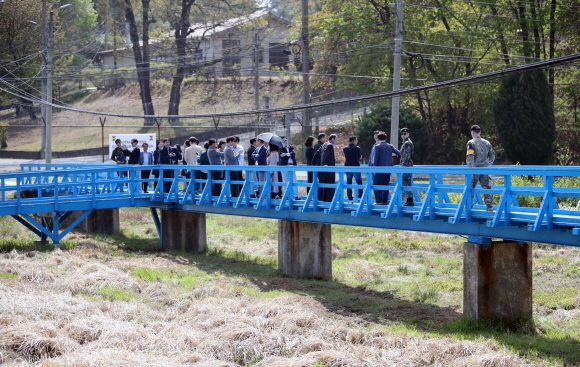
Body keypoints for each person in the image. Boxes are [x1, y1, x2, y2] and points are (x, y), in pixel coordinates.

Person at [466, 124, 495, 211]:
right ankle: (489, 207)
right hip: (485, 169)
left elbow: (470, 157)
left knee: (470, 187)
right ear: (480, 132)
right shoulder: (487, 143)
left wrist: (470, 170)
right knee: (487, 188)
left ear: (472, 132)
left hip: (474, 169)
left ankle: (469, 206)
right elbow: (492, 156)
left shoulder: (471, 143)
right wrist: (488, 164)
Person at [372, 132, 401, 205]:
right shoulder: (390, 146)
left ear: (378, 138)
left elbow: (376, 158)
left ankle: (378, 200)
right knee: (386, 184)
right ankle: (384, 201)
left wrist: (374, 169)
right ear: (385, 138)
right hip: (389, 169)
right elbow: (399, 153)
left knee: (375, 184)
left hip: (380, 169)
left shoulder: (377, 146)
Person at [343, 136, 363, 202]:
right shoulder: (357, 148)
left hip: (347, 166)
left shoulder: (345, 148)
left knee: (349, 182)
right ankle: (360, 197)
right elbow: (359, 157)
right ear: (354, 140)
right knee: (359, 182)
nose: (357, 142)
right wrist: (360, 157)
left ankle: (350, 198)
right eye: (356, 140)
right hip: (355, 166)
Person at [399, 127, 415, 206]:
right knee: (406, 183)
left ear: (408, 134)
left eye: (405, 133)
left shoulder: (407, 143)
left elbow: (407, 156)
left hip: (406, 166)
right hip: (406, 165)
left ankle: (410, 200)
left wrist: (403, 166)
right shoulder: (405, 142)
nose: (403, 135)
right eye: (402, 134)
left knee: (406, 183)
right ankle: (409, 200)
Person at [320, 134, 337, 202]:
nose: (336, 141)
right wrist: (324, 164)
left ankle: (325, 199)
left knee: (326, 185)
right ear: (332, 139)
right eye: (336, 139)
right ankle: (330, 200)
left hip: (325, 168)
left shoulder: (324, 144)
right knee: (330, 184)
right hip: (329, 168)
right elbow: (325, 155)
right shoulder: (329, 145)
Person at [311, 133, 327, 199]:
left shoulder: (316, 145)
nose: (325, 139)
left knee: (319, 182)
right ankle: (319, 197)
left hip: (316, 166)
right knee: (321, 182)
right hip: (320, 166)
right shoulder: (321, 146)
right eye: (325, 138)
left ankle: (318, 197)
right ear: (322, 138)